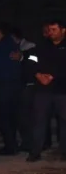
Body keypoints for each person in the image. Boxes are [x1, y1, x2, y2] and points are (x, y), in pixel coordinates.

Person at [26, 19, 66, 162]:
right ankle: (35, 152)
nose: (51, 33)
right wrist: (37, 75)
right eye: (49, 30)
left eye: (54, 30)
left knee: (64, 122)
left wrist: (53, 76)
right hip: (43, 91)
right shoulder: (41, 47)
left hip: (62, 91)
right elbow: (30, 61)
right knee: (39, 121)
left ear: (63, 30)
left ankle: (64, 151)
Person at [0, 23, 22, 156]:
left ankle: (10, 146)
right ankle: (12, 144)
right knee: (10, 117)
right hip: (12, 85)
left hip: (5, 86)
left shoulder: (3, 46)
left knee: (4, 117)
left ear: (0, 32)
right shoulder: (11, 45)